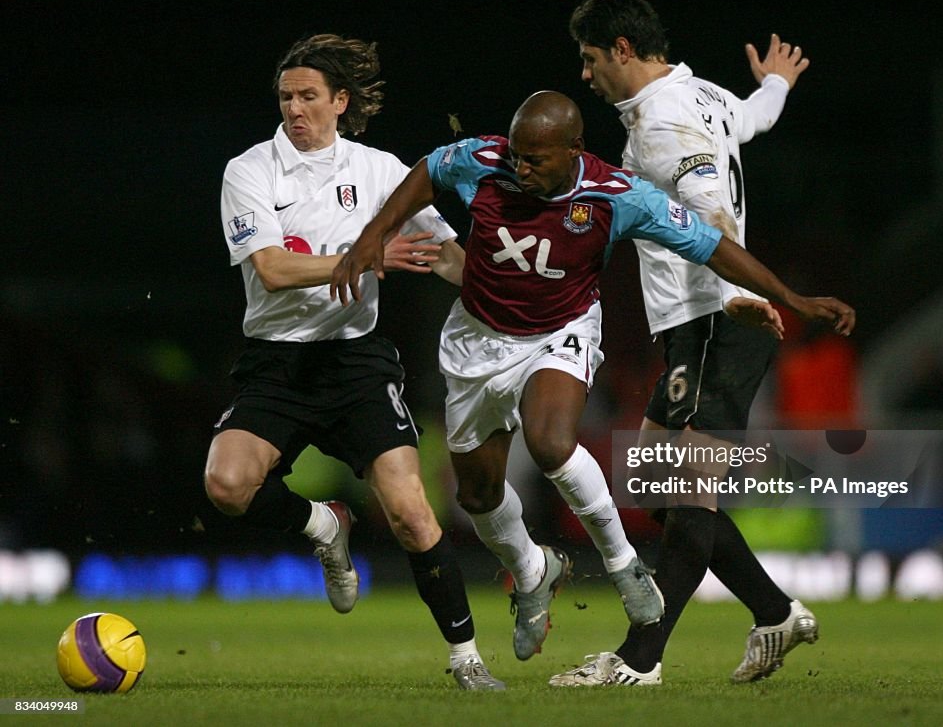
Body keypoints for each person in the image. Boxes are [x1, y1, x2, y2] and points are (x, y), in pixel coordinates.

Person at [330, 90, 854, 664]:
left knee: (551, 441)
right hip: (477, 339)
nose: (521, 167)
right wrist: (372, 235)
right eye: (518, 154)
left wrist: (787, 295)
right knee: (478, 495)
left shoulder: (616, 197)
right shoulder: (482, 160)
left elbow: (711, 246)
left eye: (536, 159)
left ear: (574, 149)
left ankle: (625, 567)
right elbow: (428, 172)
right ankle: (533, 573)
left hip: (561, 331)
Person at [203, 33, 503, 691]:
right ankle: (323, 521)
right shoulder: (249, 170)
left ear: (341, 101)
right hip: (275, 363)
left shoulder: (380, 171)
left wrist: (514, 292)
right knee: (225, 487)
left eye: (309, 96)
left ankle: (467, 658)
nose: (295, 109)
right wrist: (364, 257)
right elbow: (272, 269)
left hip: (356, 363)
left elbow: (446, 256)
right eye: (286, 97)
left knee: (410, 510)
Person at [551, 0, 829, 687]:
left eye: (589, 59)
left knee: (687, 490)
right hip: (694, 328)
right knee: (652, 483)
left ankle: (639, 659)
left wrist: (738, 296)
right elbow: (751, 120)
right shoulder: (697, 93)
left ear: (621, 49)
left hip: (716, 322)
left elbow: (709, 213)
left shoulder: (662, 122)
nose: (585, 76)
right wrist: (774, 83)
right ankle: (775, 612)